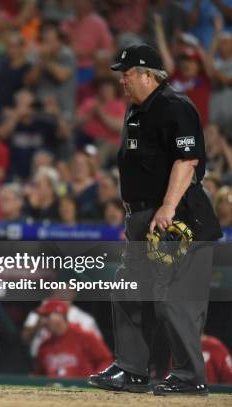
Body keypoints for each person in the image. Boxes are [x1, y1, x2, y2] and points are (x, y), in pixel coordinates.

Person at [89, 44, 223, 396]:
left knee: (176, 299)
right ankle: (132, 369)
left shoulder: (174, 107)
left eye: (128, 73)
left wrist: (166, 207)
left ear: (149, 75)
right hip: (144, 218)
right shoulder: (137, 111)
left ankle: (189, 376)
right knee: (129, 291)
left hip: (178, 216)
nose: (122, 80)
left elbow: (187, 160)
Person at [33, 300, 113, 378]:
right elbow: (38, 375)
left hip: (82, 389)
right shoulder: (44, 346)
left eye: (46, 316)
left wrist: (95, 380)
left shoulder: (85, 336)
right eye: (42, 317)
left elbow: (106, 360)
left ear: (60, 316)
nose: (42, 321)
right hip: (54, 390)